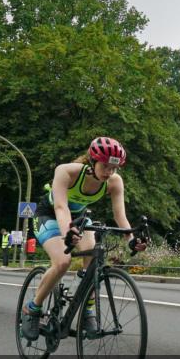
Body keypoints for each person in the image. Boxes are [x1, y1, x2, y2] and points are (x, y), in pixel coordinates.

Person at [21, 137, 147, 340]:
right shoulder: (67, 171)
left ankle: (87, 312)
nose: (109, 172)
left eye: (114, 168)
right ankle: (32, 308)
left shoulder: (114, 181)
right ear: (92, 161)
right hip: (49, 215)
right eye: (105, 166)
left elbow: (119, 216)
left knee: (93, 264)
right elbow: (61, 207)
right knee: (63, 261)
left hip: (79, 218)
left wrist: (130, 239)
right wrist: (68, 233)